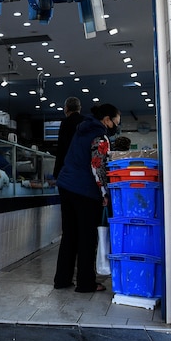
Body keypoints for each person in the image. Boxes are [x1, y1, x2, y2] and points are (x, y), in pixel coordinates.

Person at [53, 103, 120, 293]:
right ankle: (85, 283)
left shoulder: (82, 130)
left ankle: (62, 279)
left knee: (69, 235)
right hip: (84, 190)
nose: (116, 126)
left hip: (66, 186)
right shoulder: (100, 135)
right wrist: (105, 194)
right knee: (87, 237)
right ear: (107, 119)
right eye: (115, 122)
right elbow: (97, 168)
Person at [52, 96, 84, 179]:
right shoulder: (86, 121)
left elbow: (61, 148)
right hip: (83, 166)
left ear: (66, 108)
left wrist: (57, 172)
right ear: (79, 108)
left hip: (68, 167)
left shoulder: (65, 123)